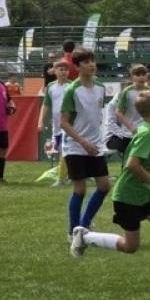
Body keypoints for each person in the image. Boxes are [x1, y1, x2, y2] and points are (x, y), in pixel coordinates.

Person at [69, 91, 150, 289]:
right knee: (130, 247)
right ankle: (85, 237)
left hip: (144, 194)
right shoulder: (147, 133)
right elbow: (132, 165)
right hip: (127, 197)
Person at [59, 49, 112, 243]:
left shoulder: (100, 87)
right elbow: (64, 122)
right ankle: (73, 231)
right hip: (76, 146)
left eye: (93, 61)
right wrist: (82, 141)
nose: (91, 64)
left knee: (104, 186)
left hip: (95, 145)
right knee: (79, 190)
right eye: (86, 62)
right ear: (77, 66)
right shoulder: (72, 90)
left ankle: (84, 224)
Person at [107, 64, 150, 156]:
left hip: (145, 132)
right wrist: (131, 127)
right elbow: (118, 112)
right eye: (138, 75)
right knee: (129, 162)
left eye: (143, 74)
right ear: (132, 77)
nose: (141, 77)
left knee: (144, 160)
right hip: (129, 133)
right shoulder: (127, 92)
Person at [38, 59, 72, 187]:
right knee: (58, 150)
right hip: (56, 125)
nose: (63, 72)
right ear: (55, 71)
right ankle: (68, 174)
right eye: (60, 69)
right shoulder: (51, 87)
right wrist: (40, 121)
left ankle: (61, 179)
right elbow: (46, 105)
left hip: (68, 124)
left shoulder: (71, 86)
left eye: (65, 70)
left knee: (65, 150)